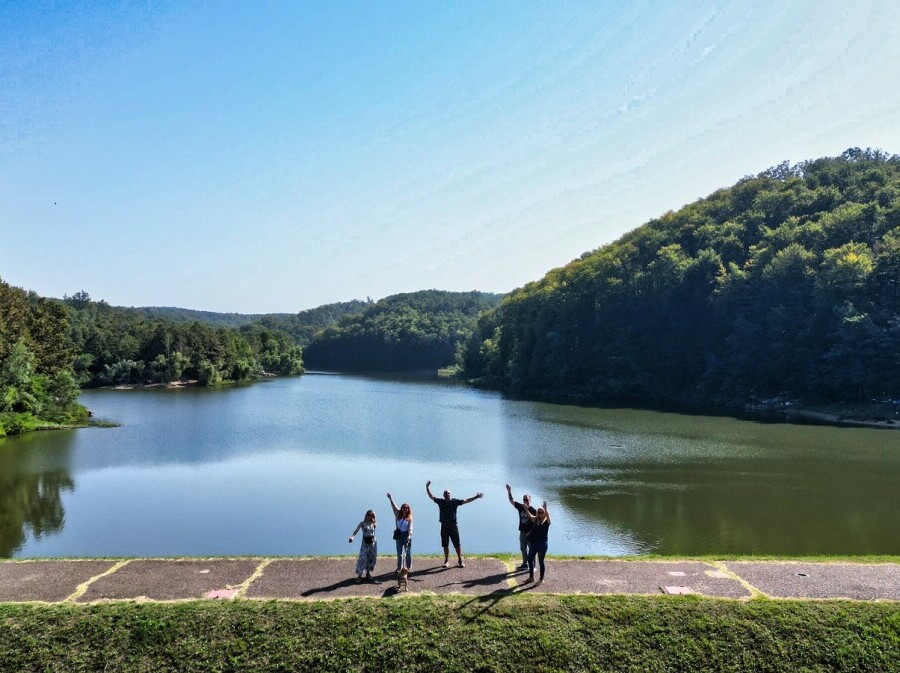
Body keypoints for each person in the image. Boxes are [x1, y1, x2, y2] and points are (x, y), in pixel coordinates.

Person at [425, 479, 483, 568]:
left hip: (453, 527)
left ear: (450, 495)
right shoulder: (440, 502)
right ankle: (446, 560)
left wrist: (475, 497)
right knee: (445, 544)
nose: (447, 495)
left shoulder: (454, 502)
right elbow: (431, 496)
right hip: (444, 527)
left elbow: (466, 500)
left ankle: (460, 559)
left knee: (457, 544)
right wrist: (427, 487)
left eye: (448, 493)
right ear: (443, 495)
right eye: (446, 494)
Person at [505, 484, 536, 570]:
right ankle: (525, 564)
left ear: (530, 500)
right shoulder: (521, 507)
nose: (526, 501)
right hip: (522, 533)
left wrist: (530, 532)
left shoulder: (533, 510)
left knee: (532, 550)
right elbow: (512, 500)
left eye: (527, 499)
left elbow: (536, 523)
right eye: (524, 499)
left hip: (530, 534)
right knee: (523, 549)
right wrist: (509, 491)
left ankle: (533, 565)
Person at [522, 501, 551, 586]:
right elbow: (530, 516)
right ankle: (531, 577)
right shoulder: (536, 520)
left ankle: (541, 579)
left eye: (542, 512)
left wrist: (546, 509)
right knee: (530, 559)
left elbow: (548, 517)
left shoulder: (546, 522)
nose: (540, 513)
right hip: (534, 543)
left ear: (544, 513)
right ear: (537, 513)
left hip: (542, 544)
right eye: (539, 512)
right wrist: (526, 509)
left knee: (541, 561)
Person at [348, 509, 378, 582]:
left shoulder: (374, 523)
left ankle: (368, 573)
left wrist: (374, 523)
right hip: (365, 543)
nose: (370, 516)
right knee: (363, 558)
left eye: (372, 515)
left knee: (371, 558)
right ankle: (360, 576)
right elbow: (356, 530)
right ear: (366, 515)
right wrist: (352, 537)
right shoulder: (362, 523)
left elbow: (374, 533)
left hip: (372, 543)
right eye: (369, 515)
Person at [386, 493, 413, 572]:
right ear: (401, 508)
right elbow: (393, 507)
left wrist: (409, 535)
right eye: (403, 507)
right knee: (399, 552)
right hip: (398, 535)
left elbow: (410, 527)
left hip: (406, 535)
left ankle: (408, 568)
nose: (405, 508)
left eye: (406, 507)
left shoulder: (409, 518)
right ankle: (399, 567)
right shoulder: (397, 514)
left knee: (407, 553)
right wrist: (391, 498)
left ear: (408, 509)